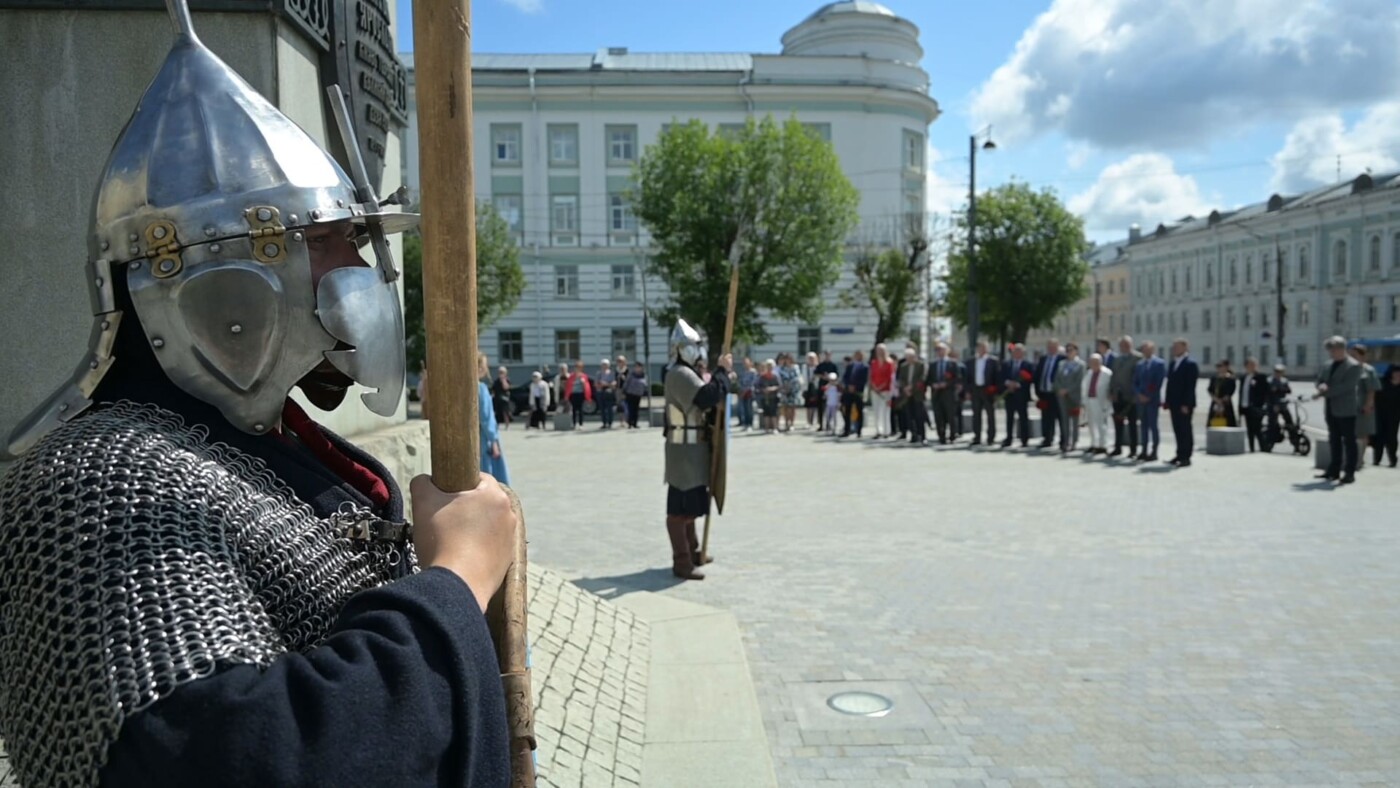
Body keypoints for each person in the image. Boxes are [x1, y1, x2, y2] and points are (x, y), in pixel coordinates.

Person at [0, 10, 516, 785]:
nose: (359, 266)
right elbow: (228, 758)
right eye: (329, 238)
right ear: (225, 281)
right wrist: (454, 584)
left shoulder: (266, 446)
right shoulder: (101, 486)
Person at [662, 319, 732, 580]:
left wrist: (721, 375)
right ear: (681, 348)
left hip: (693, 449)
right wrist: (722, 372)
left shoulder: (688, 372)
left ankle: (692, 552)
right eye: (694, 346)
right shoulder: (679, 373)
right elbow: (706, 398)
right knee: (679, 512)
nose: (698, 350)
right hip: (683, 452)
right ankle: (682, 562)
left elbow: (711, 394)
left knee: (690, 507)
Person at [1316, 336, 1362, 484]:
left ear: (1342, 349)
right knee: (1333, 439)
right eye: (1330, 350)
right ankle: (1333, 470)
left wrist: (1325, 392)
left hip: (1346, 408)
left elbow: (1347, 387)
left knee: (1349, 441)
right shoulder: (1328, 365)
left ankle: (1349, 472)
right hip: (1330, 407)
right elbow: (1320, 379)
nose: (1331, 353)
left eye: (1333, 350)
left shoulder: (1353, 365)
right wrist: (1320, 386)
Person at [1165, 339, 1199, 467]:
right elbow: (1170, 384)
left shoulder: (1190, 364)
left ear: (1185, 348)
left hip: (1184, 404)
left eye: (1177, 347)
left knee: (1185, 429)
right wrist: (1167, 401)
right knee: (1177, 429)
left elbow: (1190, 386)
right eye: (1173, 347)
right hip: (1174, 403)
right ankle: (1179, 453)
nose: (1174, 349)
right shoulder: (1173, 363)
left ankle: (1186, 456)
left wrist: (1186, 404)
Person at [478, 355, 511, 484]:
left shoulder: (462, 387)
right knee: (491, 476)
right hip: (484, 438)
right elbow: (486, 417)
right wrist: (494, 441)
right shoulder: (480, 388)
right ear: (480, 368)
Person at [1109, 336, 1143, 458]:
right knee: (1118, 422)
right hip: (1118, 396)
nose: (1124, 347)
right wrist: (1112, 391)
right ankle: (1117, 447)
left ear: (1131, 345)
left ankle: (1133, 450)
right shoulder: (1117, 359)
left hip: (1131, 397)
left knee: (1132, 423)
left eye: (1127, 345)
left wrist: (1137, 394)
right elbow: (1113, 376)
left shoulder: (1138, 358)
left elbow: (1139, 377)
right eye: (1122, 345)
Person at [1133, 341, 1167, 461]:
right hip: (1141, 400)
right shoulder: (1139, 364)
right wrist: (1139, 394)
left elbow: (1158, 382)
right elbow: (1135, 382)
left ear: (1153, 350)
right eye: (1144, 350)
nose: (1146, 352)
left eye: (1148, 350)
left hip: (1152, 400)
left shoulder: (1159, 363)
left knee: (1153, 426)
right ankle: (1143, 450)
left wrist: (1149, 396)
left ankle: (1154, 451)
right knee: (1143, 426)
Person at [1350, 345, 1381, 469]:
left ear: (1362, 356)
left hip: (1363, 406)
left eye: (1355, 355)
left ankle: (1360, 459)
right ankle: (1351, 458)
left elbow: (1372, 390)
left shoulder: (1368, 370)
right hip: (1349, 407)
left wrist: (1368, 405)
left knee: (1362, 433)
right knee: (1350, 434)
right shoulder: (1349, 369)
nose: (1352, 357)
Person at [966, 340, 1000, 446]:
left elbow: (997, 377)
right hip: (976, 390)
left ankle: (991, 437)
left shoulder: (993, 361)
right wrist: (968, 391)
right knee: (976, 415)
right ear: (977, 349)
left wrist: (995, 389)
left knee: (990, 414)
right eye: (980, 347)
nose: (983, 350)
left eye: (985, 348)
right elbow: (967, 378)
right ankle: (977, 437)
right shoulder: (971, 361)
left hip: (988, 390)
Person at [1033, 339, 1066, 448]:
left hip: (1056, 393)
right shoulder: (1043, 359)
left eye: (1053, 346)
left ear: (1057, 347)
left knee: (1060, 417)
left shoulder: (1062, 359)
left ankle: (1063, 440)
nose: (1051, 349)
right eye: (1049, 346)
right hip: (1044, 392)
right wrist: (1037, 391)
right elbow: (1038, 375)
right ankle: (1047, 439)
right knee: (1046, 417)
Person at [1055, 342, 1086, 453]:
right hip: (1062, 396)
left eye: (1071, 350)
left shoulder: (1081, 365)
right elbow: (1057, 379)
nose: (1069, 352)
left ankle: (1074, 442)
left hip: (1074, 396)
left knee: (1075, 421)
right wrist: (1060, 389)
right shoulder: (1061, 364)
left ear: (1076, 351)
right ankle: (1066, 442)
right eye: (1067, 350)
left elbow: (1079, 381)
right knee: (1064, 420)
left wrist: (1068, 390)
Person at [1000, 343, 1033, 448]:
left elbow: (1031, 379)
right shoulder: (1006, 364)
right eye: (1015, 351)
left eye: (1019, 351)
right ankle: (1009, 438)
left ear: (1023, 353)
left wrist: (1018, 384)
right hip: (1009, 395)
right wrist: (1007, 383)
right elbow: (1001, 376)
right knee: (1009, 418)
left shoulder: (1028, 365)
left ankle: (1024, 439)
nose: (1017, 353)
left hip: (1021, 395)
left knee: (1023, 417)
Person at [1081, 352, 1114, 454]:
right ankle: (1094, 444)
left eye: (1095, 362)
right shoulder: (1089, 372)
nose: (1093, 364)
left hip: (1101, 401)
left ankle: (1103, 445)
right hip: (1090, 400)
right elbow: (1084, 387)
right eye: (1091, 362)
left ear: (1100, 362)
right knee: (1091, 424)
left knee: (1102, 424)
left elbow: (1110, 388)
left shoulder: (1107, 373)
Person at [927, 342, 959, 444]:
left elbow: (957, 378)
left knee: (950, 415)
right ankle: (941, 436)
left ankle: (952, 435)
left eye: (942, 349)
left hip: (948, 393)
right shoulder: (932, 365)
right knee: (938, 416)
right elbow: (928, 379)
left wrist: (947, 384)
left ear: (947, 351)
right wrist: (933, 384)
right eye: (937, 350)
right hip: (936, 394)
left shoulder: (953, 363)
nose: (940, 352)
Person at [897, 346, 928, 445]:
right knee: (910, 416)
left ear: (914, 356)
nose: (909, 359)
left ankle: (922, 436)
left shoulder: (921, 365)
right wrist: (905, 388)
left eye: (911, 357)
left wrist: (912, 388)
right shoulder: (903, 366)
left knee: (919, 416)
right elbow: (900, 379)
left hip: (917, 394)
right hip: (907, 394)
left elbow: (922, 378)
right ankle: (913, 435)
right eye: (907, 357)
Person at [1238, 358, 1269, 452]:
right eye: (1251, 365)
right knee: (1250, 429)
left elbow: (1266, 392)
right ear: (1246, 366)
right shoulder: (1243, 377)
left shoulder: (1261, 377)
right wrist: (1240, 408)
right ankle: (1251, 448)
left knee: (1257, 428)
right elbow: (1242, 393)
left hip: (1257, 407)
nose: (1253, 367)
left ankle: (1264, 448)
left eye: (1254, 365)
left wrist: (1264, 405)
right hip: (1246, 406)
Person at [866, 344, 896, 439]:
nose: (880, 352)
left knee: (885, 411)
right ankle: (878, 430)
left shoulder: (889, 363)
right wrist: (874, 387)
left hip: (886, 390)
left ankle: (886, 431)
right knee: (876, 411)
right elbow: (871, 376)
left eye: (881, 350)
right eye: (878, 350)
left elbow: (890, 378)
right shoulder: (874, 363)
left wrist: (881, 387)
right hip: (875, 390)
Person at [1374, 365, 1400, 467]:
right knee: (1378, 437)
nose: (1398, 375)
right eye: (1396, 373)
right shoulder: (1382, 383)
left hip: (1394, 416)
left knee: (1392, 438)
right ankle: (1377, 459)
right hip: (1380, 414)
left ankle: (1393, 460)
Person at [841, 350, 869, 437]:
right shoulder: (850, 366)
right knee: (847, 411)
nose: (858, 357)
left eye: (860, 355)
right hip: (848, 392)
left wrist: (855, 387)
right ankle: (847, 430)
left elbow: (864, 380)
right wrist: (848, 386)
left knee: (859, 411)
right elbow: (845, 377)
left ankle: (859, 431)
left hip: (858, 392)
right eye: (856, 355)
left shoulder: (865, 367)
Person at [1266, 364, 1296, 444]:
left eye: (1280, 372)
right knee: (1273, 423)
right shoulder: (1270, 380)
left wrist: (1279, 389)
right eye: (1277, 371)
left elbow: (1288, 390)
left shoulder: (1284, 380)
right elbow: (1269, 394)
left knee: (1289, 422)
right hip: (1273, 404)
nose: (1278, 373)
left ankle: (1294, 440)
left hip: (1283, 404)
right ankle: (1270, 441)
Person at [1206, 360, 1237, 428]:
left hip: (1226, 404)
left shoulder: (1230, 379)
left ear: (1226, 367)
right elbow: (1210, 390)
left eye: (1221, 366)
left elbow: (1230, 392)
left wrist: (1222, 401)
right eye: (1218, 366)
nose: (1219, 368)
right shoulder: (1214, 378)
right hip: (1215, 403)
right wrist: (1215, 399)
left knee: (1227, 423)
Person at [778, 353, 804, 433]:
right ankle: (786, 423)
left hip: (793, 389)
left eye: (788, 359)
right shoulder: (782, 368)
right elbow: (780, 378)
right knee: (785, 407)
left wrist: (790, 384)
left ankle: (792, 424)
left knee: (792, 407)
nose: (787, 360)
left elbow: (797, 377)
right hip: (784, 389)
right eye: (786, 359)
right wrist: (784, 387)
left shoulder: (795, 367)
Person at [565, 360, 592, 428]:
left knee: (580, 410)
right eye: (576, 367)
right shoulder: (571, 376)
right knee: (573, 409)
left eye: (579, 367)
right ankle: (574, 423)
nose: (577, 369)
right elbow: (568, 386)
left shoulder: (584, 376)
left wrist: (588, 396)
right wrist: (566, 396)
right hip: (573, 394)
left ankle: (581, 424)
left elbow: (587, 386)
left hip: (580, 394)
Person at [623, 362, 649, 429]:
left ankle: (635, 423)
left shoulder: (643, 375)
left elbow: (645, 384)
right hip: (630, 394)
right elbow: (626, 383)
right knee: (630, 409)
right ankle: (630, 423)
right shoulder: (631, 375)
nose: (637, 368)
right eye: (636, 367)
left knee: (636, 409)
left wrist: (645, 392)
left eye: (639, 367)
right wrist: (624, 391)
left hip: (638, 395)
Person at [595, 359, 619, 430]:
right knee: (602, 409)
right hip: (601, 392)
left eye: (606, 364)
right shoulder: (599, 373)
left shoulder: (611, 373)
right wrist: (604, 384)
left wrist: (606, 384)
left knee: (609, 408)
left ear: (609, 365)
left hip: (609, 392)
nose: (604, 366)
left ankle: (610, 423)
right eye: (603, 364)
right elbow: (597, 383)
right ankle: (604, 423)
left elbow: (614, 383)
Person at [802, 351, 823, 429]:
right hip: (808, 388)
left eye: (813, 358)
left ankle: (817, 421)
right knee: (808, 406)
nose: (811, 360)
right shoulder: (805, 367)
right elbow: (804, 378)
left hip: (817, 388)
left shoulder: (818, 367)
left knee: (817, 406)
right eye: (809, 358)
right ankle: (809, 421)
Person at [758, 359, 781, 434]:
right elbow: (758, 386)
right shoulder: (762, 377)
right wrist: (763, 390)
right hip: (765, 397)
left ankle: (775, 428)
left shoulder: (775, 376)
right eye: (768, 366)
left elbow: (779, 386)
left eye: (771, 366)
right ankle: (766, 428)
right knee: (766, 413)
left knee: (774, 413)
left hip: (773, 397)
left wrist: (772, 389)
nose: (769, 368)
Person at [736, 357, 757, 431]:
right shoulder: (742, 372)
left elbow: (753, 383)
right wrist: (740, 390)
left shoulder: (753, 372)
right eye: (744, 363)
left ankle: (750, 424)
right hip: (742, 392)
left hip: (750, 393)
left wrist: (746, 390)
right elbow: (739, 382)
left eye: (746, 362)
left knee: (749, 409)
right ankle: (745, 423)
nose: (745, 364)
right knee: (744, 408)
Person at [490, 366, 513, 430]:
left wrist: (503, 380)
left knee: (505, 412)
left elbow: (506, 388)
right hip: (497, 398)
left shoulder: (507, 380)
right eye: (500, 372)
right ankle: (496, 425)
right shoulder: (496, 381)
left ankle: (507, 425)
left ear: (505, 373)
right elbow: (493, 389)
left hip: (504, 399)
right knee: (497, 413)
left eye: (502, 372)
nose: (501, 373)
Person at [615, 354, 630, 424]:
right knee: (619, 405)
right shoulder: (616, 370)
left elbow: (629, 380)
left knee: (626, 405)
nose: (619, 363)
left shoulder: (627, 370)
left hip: (626, 390)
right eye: (618, 361)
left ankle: (627, 420)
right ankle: (621, 421)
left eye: (621, 361)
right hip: (618, 389)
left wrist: (624, 377)